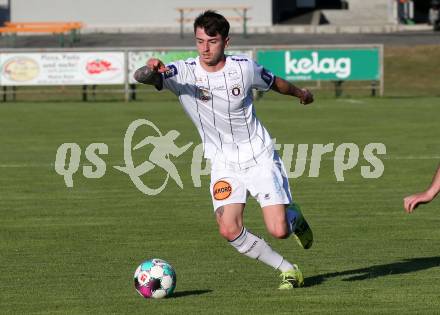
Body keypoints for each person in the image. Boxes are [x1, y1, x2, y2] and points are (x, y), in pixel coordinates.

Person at [134, 10, 314, 290]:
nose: (205, 48)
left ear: (226, 42)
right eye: (199, 41)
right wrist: (150, 68)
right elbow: (144, 76)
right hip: (222, 163)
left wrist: (301, 93)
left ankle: (294, 216)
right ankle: (288, 270)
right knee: (228, 228)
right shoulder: (182, 72)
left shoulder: (243, 68)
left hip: (258, 156)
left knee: (279, 230)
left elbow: (275, 82)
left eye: (212, 41)